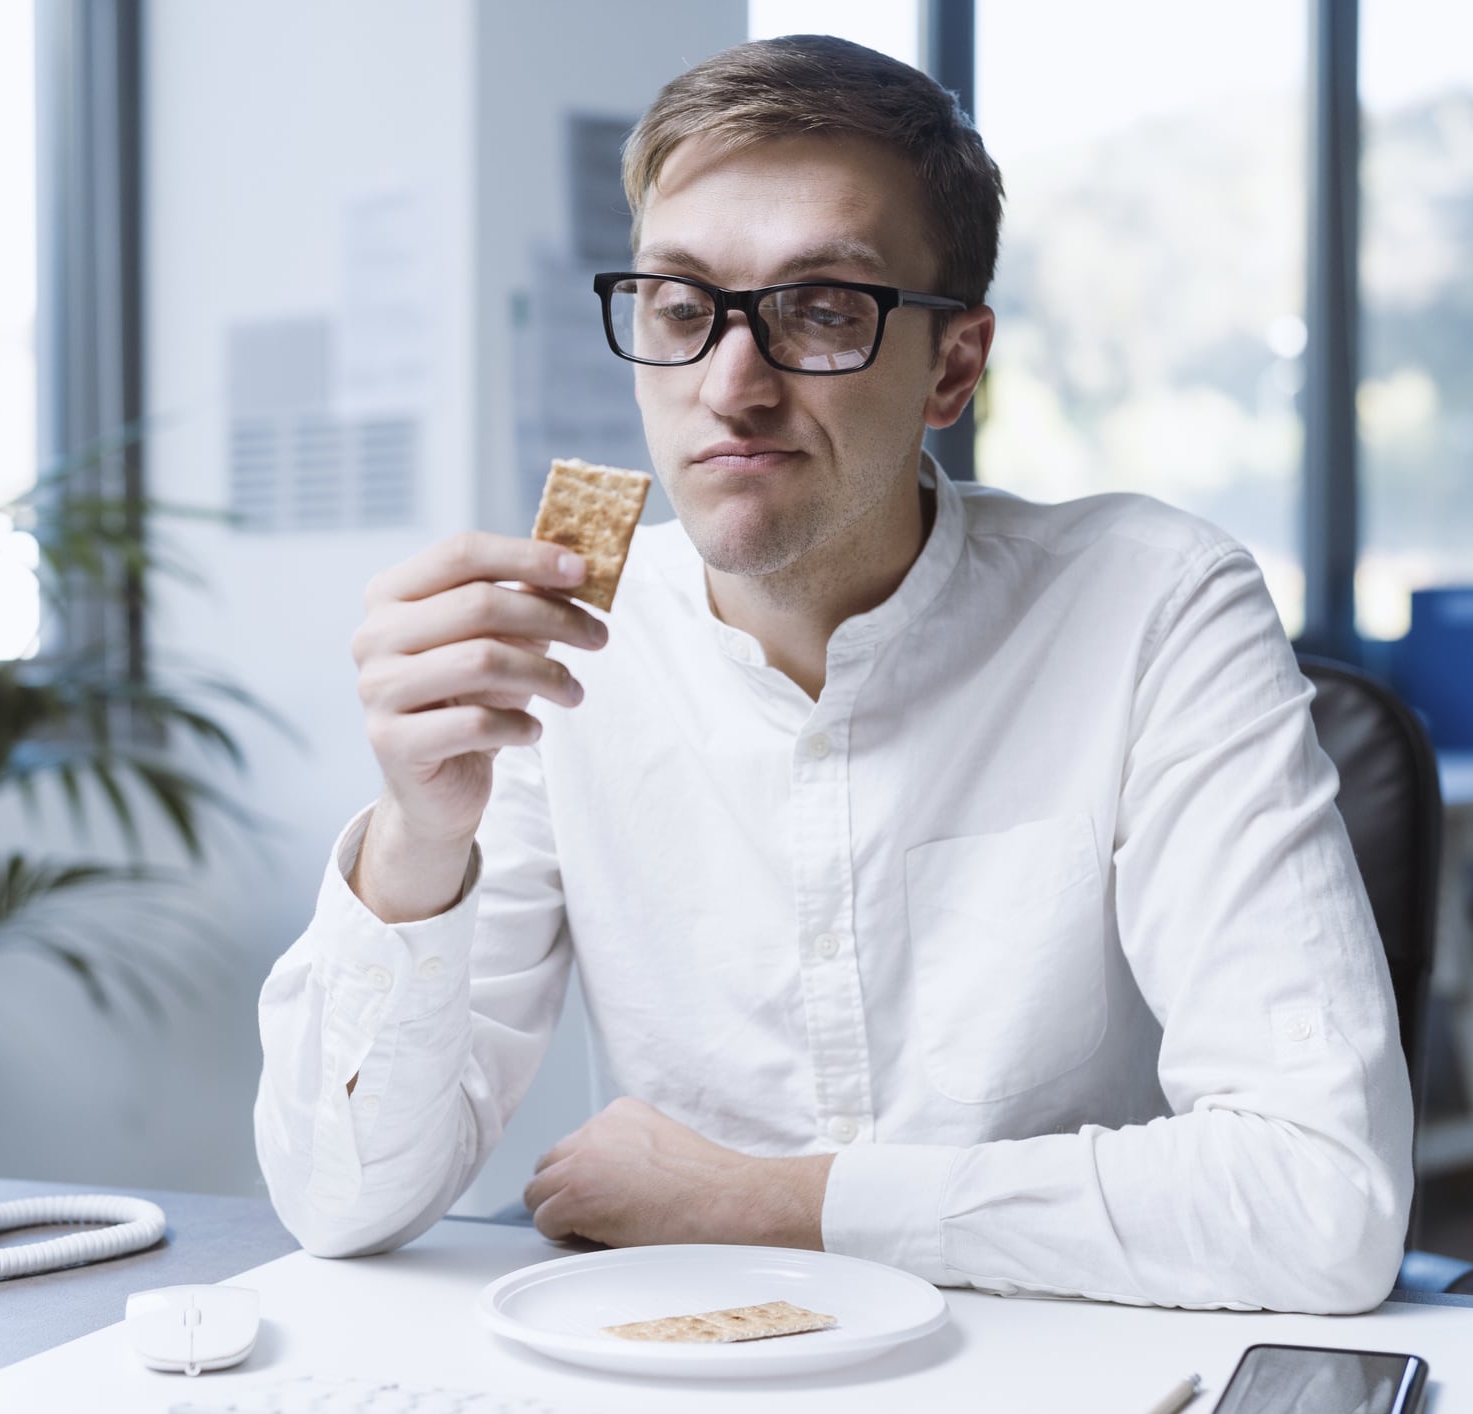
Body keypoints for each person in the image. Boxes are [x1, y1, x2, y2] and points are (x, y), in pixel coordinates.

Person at [253, 34, 1411, 1314]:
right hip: (683, 1370)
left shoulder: (1151, 606)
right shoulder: (564, 646)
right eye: (682, 307)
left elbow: (1322, 1203)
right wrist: (419, 839)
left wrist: (766, 1201)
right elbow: (340, 1202)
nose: (729, 386)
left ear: (952, 368)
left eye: (820, 309)